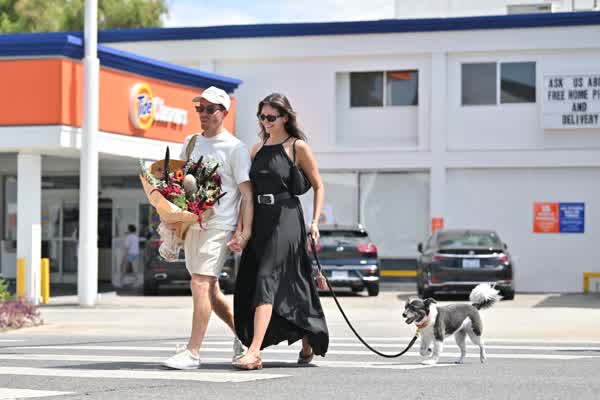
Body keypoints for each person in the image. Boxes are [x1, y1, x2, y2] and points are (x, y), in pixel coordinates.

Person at [229, 93, 329, 370]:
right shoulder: (256, 149)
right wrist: (241, 231)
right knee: (286, 281)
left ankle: (254, 352)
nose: (266, 121)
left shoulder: (297, 147)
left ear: (285, 117)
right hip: (261, 220)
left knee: (267, 277)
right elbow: (248, 195)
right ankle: (307, 337)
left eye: (271, 117)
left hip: (287, 217)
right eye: (262, 117)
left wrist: (315, 222)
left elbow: (318, 185)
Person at [162, 86, 253, 370]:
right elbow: (178, 184)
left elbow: (247, 195)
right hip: (193, 223)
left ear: (224, 113)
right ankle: (245, 336)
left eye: (210, 109)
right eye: (199, 108)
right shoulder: (191, 142)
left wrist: (243, 231)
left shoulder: (235, 148)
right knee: (210, 290)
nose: (203, 114)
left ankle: (193, 352)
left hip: (219, 225)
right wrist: (171, 221)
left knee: (200, 283)